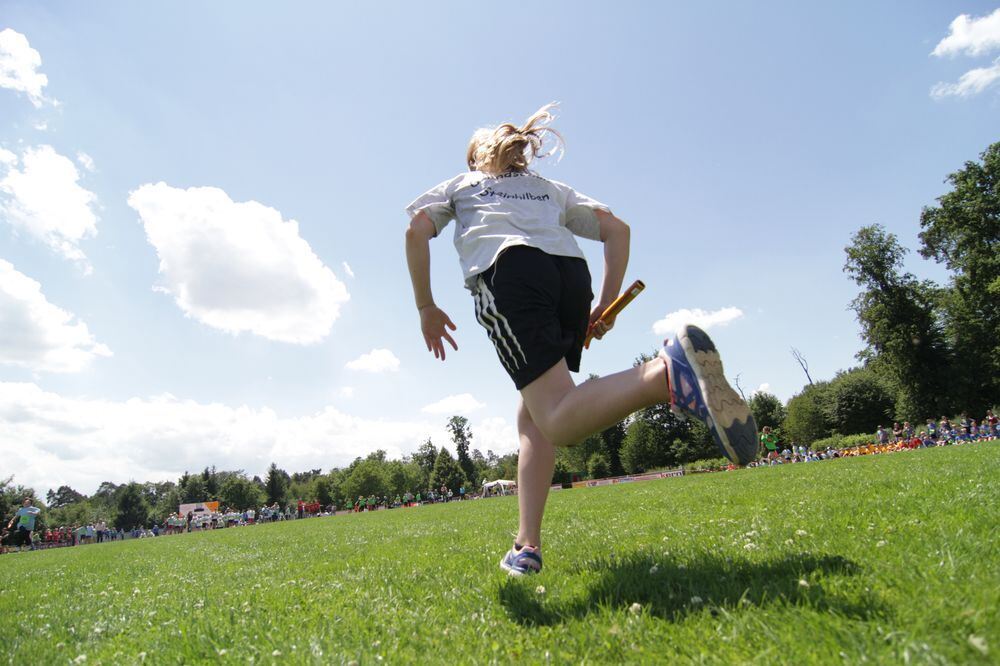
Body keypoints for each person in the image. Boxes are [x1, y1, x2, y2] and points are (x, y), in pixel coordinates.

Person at [404, 104, 757, 576]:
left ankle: (664, 375)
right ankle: (526, 544)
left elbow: (416, 230)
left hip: (510, 272)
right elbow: (617, 229)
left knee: (558, 421)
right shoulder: (549, 189)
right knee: (533, 416)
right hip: (570, 276)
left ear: (476, 161)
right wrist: (605, 305)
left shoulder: (461, 185)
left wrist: (426, 306)